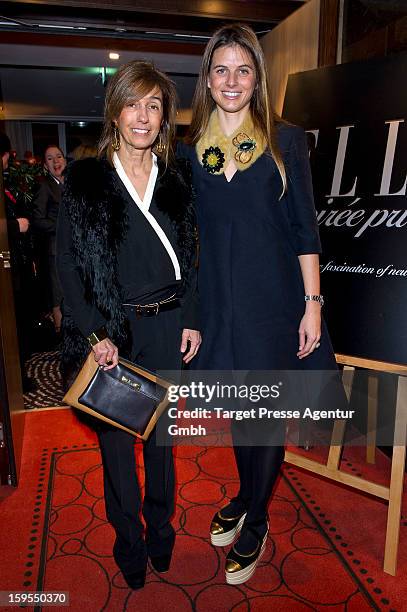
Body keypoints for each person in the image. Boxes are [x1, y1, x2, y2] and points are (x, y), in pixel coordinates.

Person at [177, 23, 338, 585]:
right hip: (221, 302)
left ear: (257, 78)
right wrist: (192, 313)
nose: (232, 80)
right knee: (240, 408)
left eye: (243, 70)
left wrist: (312, 303)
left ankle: (257, 519)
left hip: (275, 299)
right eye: (221, 69)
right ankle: (247, 493)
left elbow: (304, 229)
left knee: (265, 413)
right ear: (208, 78)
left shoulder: (285, 140)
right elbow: (188, 238)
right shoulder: (190, 150)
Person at [56, 60, 201, 590]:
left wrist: (190, 318)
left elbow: (193, 255)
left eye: (155, 105)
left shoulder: (177, 175)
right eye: (133, 103)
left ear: (165, 118)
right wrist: (97, 335)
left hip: (167, 329)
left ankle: (161, 534)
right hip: (114, 338)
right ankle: (130, 544)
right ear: (114, 112)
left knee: (164, 446)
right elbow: (68, 264)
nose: (143, 115)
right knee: (118, 456)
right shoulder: (87, 179)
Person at [1, 132, 36, 392]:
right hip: (8, 270)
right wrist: (16, 225)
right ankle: (15, 382)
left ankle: (17, 377)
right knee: (14, 328)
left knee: (20, 322)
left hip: (18, 266)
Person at [32, 145, 67, 333]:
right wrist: (62, 228)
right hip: (54, 250)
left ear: (65, 160)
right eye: (50, 158)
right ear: (45, 165)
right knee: (57, 294)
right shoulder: (45, 186)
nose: (56, 161)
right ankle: (60, 336)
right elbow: (37, 219)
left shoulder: (69, 184)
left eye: (59, 157)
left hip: (71, 249)